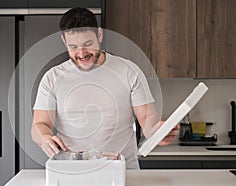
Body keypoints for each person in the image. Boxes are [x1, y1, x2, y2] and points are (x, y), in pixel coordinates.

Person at [31, 7, 179, 168]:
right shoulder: (52, 78)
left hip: (123, 171)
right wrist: (44, 138)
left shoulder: (128, 71)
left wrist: (158, 132)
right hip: (72, 171)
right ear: (64, 41)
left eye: (87, 44)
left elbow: (147, 120)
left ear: (99, 35)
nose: (81, 54)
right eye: (73, 46)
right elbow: (39, 125)